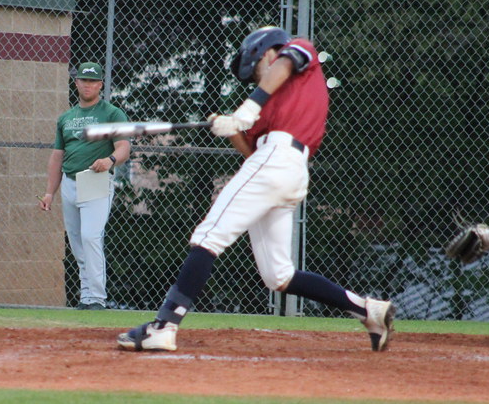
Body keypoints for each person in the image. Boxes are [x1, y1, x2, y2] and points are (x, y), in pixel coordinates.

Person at [117, 26, 396, 352]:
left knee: (208, 237)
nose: (256, 82)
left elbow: (285, 66)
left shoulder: (296, 50)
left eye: (257, 70)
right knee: (279, 276)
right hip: (282, 168)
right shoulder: (272, 105)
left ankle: (163, 327)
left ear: (267, 52)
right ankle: (368, 310)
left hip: (280, 161)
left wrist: (248, 108)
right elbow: (252, 154)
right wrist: (230, 127)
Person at [40, 61, 131, 310]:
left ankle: (98, 298)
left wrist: (110, 159)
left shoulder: (112, 113)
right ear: (76, 83)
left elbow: (123, 147)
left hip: (94, 178)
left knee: (91, 237)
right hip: (69, 181)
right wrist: (50, 192)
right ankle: (86, 296)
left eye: (92, 81)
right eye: (83, 80)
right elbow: (57, 156)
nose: (88, 84)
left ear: (100, 84)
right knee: (77, 241)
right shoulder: (66, 117)